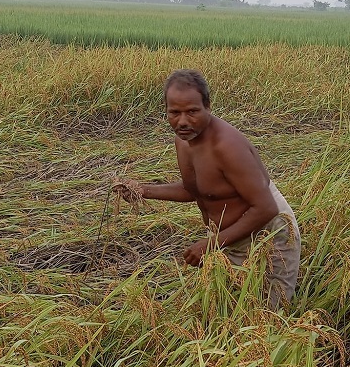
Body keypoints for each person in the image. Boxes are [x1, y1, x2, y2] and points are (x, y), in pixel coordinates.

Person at [115, 69, 301, 308]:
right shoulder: (184, 140)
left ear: (208, 107)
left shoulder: (227, 146)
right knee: (225, 305)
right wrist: (143, 190)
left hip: (267, 234)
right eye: (174, 112)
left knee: (268, 312)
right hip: (227, 236)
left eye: (192, 112)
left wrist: (210, 245)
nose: (182, 121)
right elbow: (195, 190)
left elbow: (265, 208)